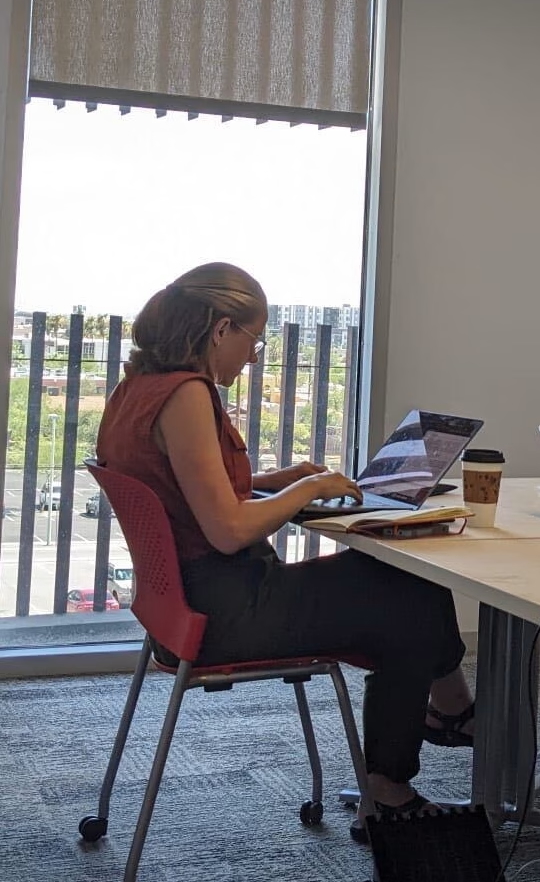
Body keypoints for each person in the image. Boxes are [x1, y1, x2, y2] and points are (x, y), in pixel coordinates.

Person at [96, 263, 475, 819]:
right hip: (230, 609)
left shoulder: (136, 390)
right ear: (221, 329)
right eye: (254, 338)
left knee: (401, 587)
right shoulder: (189, 394)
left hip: (179, 607)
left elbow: (178, 488)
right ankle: (401, 777)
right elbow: (227, 532)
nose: (254, 356)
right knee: (412, 596)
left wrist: (272, 481)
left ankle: (450, 714)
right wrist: (311, 489)